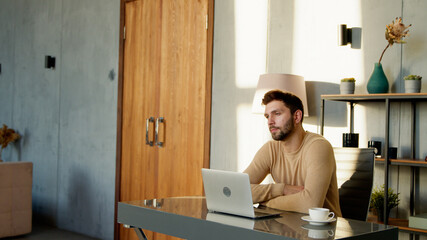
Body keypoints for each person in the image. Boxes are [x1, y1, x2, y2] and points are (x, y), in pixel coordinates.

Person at [244, 89, 342, 216]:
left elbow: (310, 205)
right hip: (285, 226)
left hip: (323, 231)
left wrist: (265, 202)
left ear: (296, 117)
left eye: (277, 114)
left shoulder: (318, 146)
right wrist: (281, 189)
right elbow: (238, 190)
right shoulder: (270, 149)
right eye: (267, 116)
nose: (270, 121)